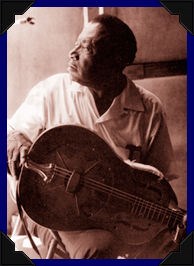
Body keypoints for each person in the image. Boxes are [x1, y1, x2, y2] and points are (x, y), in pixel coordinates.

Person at [7, 14, 180, 259]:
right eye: (76, 43)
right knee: (99, 247)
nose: (72, 52)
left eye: (86, 47)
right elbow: (10, 133)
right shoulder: (52, 91)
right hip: (55, 207)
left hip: (122, 213)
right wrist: (15, 140)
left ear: (116, 60)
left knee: (166, 246)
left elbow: (157, 181)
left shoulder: (149, 108)